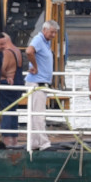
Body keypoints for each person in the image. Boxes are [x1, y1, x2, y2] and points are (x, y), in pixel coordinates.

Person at [24, 20, 58, 151]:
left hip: (41, 83)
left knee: (35, 115)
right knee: (38, 115)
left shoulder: (46, 42)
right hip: (37, 83)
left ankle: (33, 143)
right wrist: (35, 67)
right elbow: (29, 51)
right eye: (52, 32)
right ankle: (44, 144)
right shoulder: (39, 39)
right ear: (44, 30)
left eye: (55, 32)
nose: (54, 35)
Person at [0, 32, 25, 148]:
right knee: (13, 111)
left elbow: (2, 69)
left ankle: (6, 140)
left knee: (6, 111)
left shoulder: (7, 52)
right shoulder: (17, 50)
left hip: (7, 85)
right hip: (18, 84)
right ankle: (14, 139)